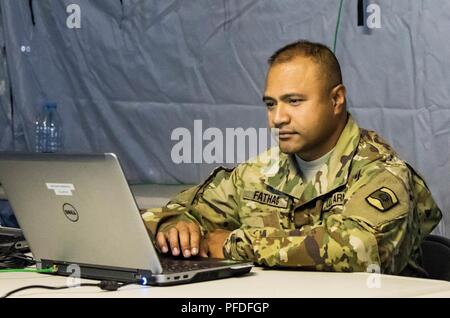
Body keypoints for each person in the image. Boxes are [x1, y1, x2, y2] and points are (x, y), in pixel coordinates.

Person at [141, 40, 442, 276]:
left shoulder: (381, 173)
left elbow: (359, 247)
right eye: (271, 104)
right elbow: (174, 212)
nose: (277, 118)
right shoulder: (258, 173)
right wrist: (175, 226)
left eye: (294, 101)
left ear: (336, 99)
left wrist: (237, 244)